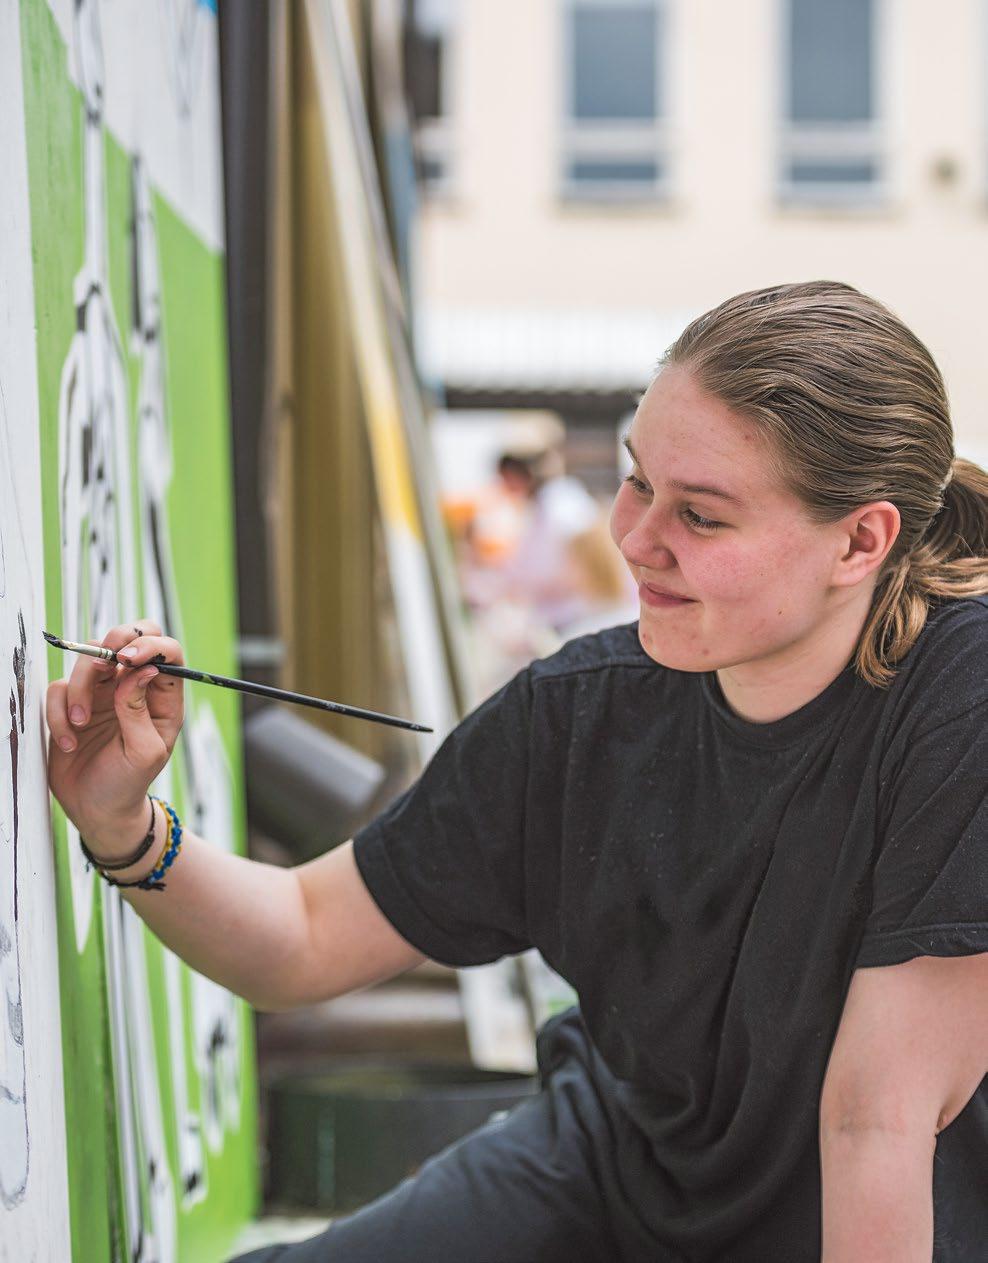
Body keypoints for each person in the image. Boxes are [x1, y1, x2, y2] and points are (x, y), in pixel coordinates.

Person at [47, 280, 988, 1262]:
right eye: (636, 481)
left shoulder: (959, 692)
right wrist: (123, 824)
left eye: (700, 518)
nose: (632, 539)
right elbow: (305, 938)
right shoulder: (583, 708)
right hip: (608, 1172)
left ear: (860, 540)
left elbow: (875, 1119)